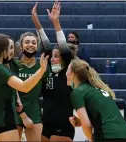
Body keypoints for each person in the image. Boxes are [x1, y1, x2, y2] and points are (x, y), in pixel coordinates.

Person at [32, 1, 75, 141]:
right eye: (52, 56)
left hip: (63, 123)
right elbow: (44, 42)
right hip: (47, 122)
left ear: (64, 58)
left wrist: (56, 22)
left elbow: (62, 44)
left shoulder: (68, 69)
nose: (52, 58)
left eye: (57, 56)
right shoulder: (48, 70)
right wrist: (36, 22)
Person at [66, 59, 126, 142]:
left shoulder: (78, 92)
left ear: (73, 74)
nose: (66, 73)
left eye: (67, 69)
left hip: (107, 136)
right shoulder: (97, 89)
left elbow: (87, 125)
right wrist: (80, 122)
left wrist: (91, 139)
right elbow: (105, 117)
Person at [16, 32, 50, 141]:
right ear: (21, 46)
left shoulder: (43, 66)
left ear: (37, 47)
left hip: (34, 111)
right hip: (14, 110)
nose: (30, 44)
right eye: (27, 42)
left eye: (34, 43)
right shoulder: (14, 65)